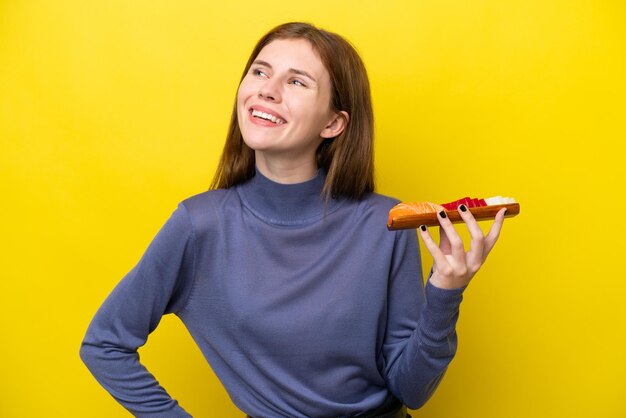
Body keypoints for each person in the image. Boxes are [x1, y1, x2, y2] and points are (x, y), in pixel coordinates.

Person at [80, 22, 506, 418]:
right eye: (260, 72)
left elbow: (411, 389)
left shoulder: (387, 223)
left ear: (334, 122)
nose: (268, 90)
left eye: (297, 81)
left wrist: (446, 293)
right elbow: (104, 344)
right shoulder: (200, 225)